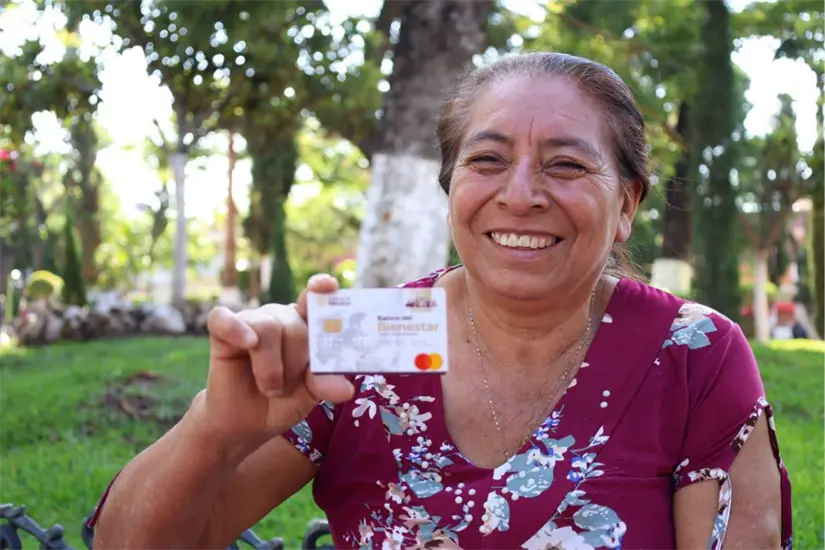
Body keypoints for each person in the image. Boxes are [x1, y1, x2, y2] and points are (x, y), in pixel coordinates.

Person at [88, 52, 792, 549]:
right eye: (485, 161)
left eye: (566, 165)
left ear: (626, 205)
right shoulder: (364, 340)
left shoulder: (693, 353)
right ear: (452, 188)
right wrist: (216, 428)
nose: (519, 194)